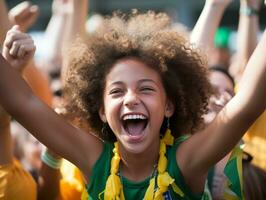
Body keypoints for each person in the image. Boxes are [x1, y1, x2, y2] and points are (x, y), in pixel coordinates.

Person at [0, 12, 265, 200]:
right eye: (116, 91)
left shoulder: (185, 162)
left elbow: (247, 103)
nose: (130, 98)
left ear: (169, 105)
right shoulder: (95, 161)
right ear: (102, 111)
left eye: (146, 88)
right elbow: (23, 102)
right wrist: (12, 67)